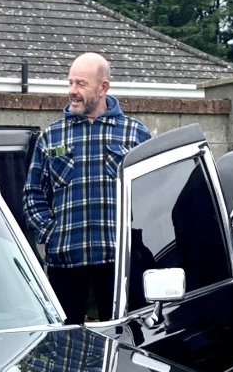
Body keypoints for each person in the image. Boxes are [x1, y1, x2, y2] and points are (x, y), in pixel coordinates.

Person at [23, 52, 151, 323]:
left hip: (118, 263)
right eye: (70, 83)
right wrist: (51, 234)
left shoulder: (135, 134)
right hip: (66, 263)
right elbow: (32, 194)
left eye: (81, 83)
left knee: (124, 336)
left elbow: (152, 194)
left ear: (103, 87)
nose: (72, 90)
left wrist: (136, 240)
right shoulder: (51, 136)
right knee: (66, 340)